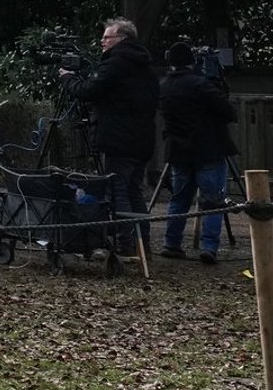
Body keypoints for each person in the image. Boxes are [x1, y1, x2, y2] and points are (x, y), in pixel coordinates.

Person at [66, 17, 160, 257]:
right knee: (133, 191)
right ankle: (143, 244)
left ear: (122, 39)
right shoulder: (146, 67)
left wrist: (68, 79)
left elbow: (88, 91)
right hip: (142, 140)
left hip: (119, 140)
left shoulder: (117, 64)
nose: (102, 42)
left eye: (107, 37)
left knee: (117, 192)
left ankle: (124, 245)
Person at [157, 41, 237, 264]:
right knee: (213, 200)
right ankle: (209, 246)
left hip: (178, 151)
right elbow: (228, 111)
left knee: (179, 198)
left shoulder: (163, 87)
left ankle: (171, 242)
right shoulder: (200, 85)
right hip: (208, 148)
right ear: (192, 62)